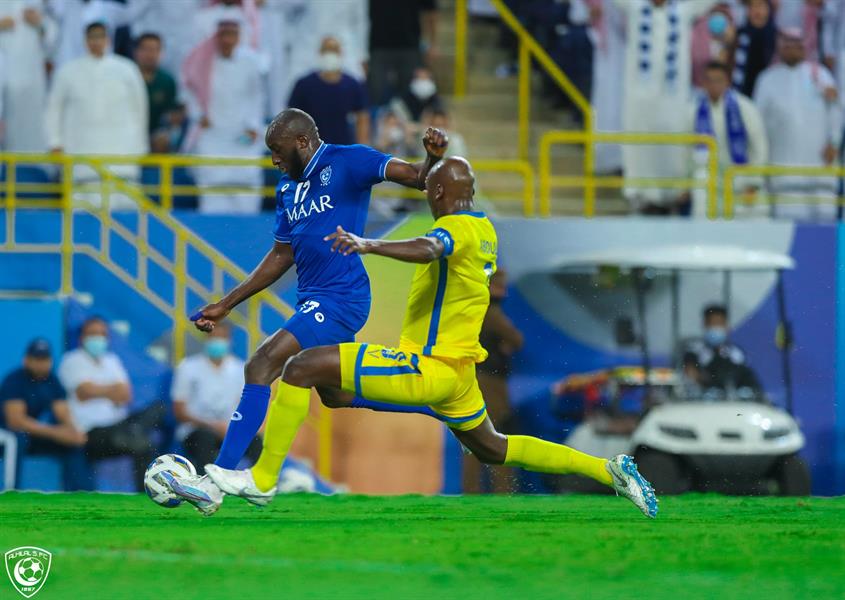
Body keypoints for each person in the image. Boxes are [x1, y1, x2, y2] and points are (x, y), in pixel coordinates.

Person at [202, 156, 658, 519]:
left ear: (437, 193)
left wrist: (369, 244)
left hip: (427, 365)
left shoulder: (454, 229)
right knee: (493, 447)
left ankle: (262, 479)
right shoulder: (483, 228)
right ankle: (610, 470)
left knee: (299, 367)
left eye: (428, 187)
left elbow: (429, 248)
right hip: (459, 374)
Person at [161, 108, 450, 514]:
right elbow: (282, 256)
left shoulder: (350, 161)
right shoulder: (286, 190)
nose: (273, 160)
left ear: (301, 142)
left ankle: (218, 481)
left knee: (261, 364)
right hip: (314, 298)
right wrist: (226, 304)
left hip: (342, 297)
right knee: (335, 394)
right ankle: (434, 403)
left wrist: (433, 158)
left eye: (277, 151)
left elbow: (418, 178)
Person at [614, 0, 720, 214]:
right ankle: (641, 198)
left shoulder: (683, 11)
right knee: (639, 145)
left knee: (673, 145)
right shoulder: (635, 8)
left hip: (673, 99)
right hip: (639, 100)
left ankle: (672, 198)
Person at [44, 20, 149, 205]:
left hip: (122, 158)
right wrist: (55, 142)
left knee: (126, 214)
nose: (96, 42)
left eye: (100, 37)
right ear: (85, 40)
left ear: (108, 39)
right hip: (80, 157)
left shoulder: (127, 69)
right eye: (92, 37)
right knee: (81, 216)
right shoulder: (68, 72)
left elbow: (140, 110)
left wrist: (140, 147)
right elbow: (54, 109)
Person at [58, 316, 160, 491]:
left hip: (119, 424)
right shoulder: (71, 360)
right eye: (93, 334)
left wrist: (98, 390)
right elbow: (84, 392)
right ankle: (133, 435)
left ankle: (145, 495)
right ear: (82, 337)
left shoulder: (111, 360)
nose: (98, 338)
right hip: (91, 432)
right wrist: (113, 390)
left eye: (102, 334)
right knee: (142, 443)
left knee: (158, 408)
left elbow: (126, 394)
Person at [754, 27, 841, 220]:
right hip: (784, 172)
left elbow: (836, 111)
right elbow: (757, 125)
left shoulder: (821, 75)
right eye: (787, 45)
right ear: (780, 48)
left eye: (797, 45)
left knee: (825, 228)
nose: (793, 49)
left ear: (804, 48)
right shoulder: (767, 80)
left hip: (820, 169)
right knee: (788, 226)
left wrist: (834, 142)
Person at [182, 17, 264, 214]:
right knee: (212, 190)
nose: (227, 40)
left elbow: (257, 97)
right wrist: (198, 114)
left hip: (242, 136)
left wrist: (253, 126)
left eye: (232, 34)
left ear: (238, 37)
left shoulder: (250, 62)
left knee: (246, 191)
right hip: (213, 135)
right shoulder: (202, 61)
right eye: (223, 34)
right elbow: (189, 91)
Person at [463, 270, 523, 494]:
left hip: (480, 379)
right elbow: (516, 338)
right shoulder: (490, 311)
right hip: (489, 382)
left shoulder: (477, 309)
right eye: (499, 285)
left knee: (476, 437)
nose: (503, 290)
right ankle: (503, 491)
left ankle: (474, 491)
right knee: (495, 437)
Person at [0, 339, 89, 491]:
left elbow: (62, 413)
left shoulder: (52, 381)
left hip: (33, 435)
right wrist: (56, 433)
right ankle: (11, 491)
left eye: (45, 359)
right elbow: (16, 421)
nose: (41, 364)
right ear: (26, 360)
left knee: (73, 443)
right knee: (17, 439)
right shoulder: (14, 380)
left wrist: (73, 432)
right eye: (37, 359)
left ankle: (82, 493)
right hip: (7, 435)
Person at [171, 323, 260, 474]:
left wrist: (234, 427)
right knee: (205, 439)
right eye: (213, 337)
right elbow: (179, 411)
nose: (217, 341)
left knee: (256, 442)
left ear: (229, 340)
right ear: (206, 339)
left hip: (230, 430)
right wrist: (212, 425)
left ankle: (259, 486)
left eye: (222, 337)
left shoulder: (241, 369)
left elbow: (248, 407)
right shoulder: (187, 367)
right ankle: (204, 487)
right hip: (196, 430)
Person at [689, 60, 768, 217]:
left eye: (718, 80)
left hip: (741, 180)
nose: (714, 85)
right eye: (709, 81)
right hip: (709, 183)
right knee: (700, 196)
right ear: (703, 83)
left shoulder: (745, 107)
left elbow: (759, 146)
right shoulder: (693, 110)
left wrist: (754, 182)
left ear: (727, 81)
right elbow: (685, 150)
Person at [287, 36, 370, 145]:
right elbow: (292, 117)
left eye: (334, 50)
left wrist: (362, 149)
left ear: (341, 53)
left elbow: (362, 117)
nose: (330, 54)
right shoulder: (304, 85)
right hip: (312, 150)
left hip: (343, 149)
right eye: (326, 49)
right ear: (320, 53)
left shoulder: (352, 85)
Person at [0, 1, 54, 152]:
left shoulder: (37, 4)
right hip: (3, 69)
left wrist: (40, 23)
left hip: (29, 75)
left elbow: (53, 40)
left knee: (27, 129)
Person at [368, 0, 438, 107]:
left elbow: (431, 11)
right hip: (379, 46)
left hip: (409, 47)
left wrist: (432, 44)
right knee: (376, 93)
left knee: (409, 97)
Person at [682, 304, 761, 393]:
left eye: (719, 324)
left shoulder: (736, 352)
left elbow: (744, 377)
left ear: (726, 326)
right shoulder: (693, 350)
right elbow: (691, 373)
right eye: (713, 324)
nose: (716, 328)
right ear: (705, 324)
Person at [133, 32, 177, 138]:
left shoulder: (167, 80)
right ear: (136, 52)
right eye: (146, 49)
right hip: (127, 131)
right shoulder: (126, 77)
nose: (151, 54)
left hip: (156, 134)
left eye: (155, 50)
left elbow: (171, 113)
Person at [731, 0, 777, 97]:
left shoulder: (778, 38)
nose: (756, 11)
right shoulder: (738, 36)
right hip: (742, 95)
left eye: (760, 5)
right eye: (751, 6)